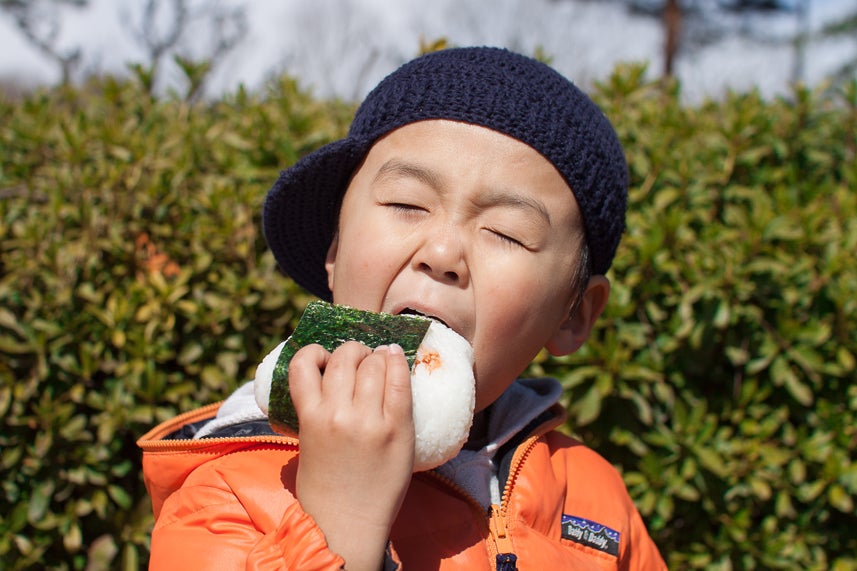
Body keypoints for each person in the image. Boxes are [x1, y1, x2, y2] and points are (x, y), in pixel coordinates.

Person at [138, 46, 668, 571]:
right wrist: (338, 524)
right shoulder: (229, 491)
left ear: (574, 314)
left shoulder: (594, 504)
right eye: (406, 204)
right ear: (335, 249)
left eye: (506, 232)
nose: (442, 256)